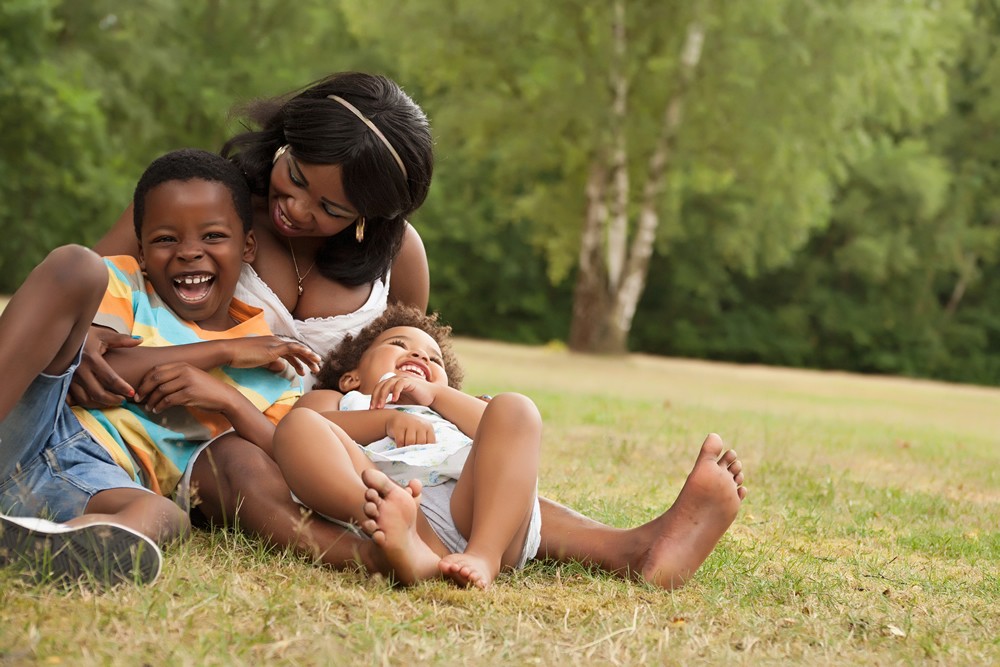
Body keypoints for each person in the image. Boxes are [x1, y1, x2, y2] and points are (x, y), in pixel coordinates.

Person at [78, 72, 747, 589]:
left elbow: (415, 370)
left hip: (350, 446)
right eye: (294, 173)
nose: (294, 207)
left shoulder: (400, 260)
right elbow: (98, 282)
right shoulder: (210, 203)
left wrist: (423, 418)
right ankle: (382, 554)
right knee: (241, 462)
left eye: (330, 206)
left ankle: (635, 548)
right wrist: (90, 339)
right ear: (284, 141)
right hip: (214, 438)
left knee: (447, 466)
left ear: (371, 218)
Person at [0, 149, 320, 585]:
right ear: (144, 252)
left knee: (165, 516)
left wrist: (228, 400)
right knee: (76, 265)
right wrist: (221, 352)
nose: (190, 252)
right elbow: (103, 371)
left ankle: (49, 546)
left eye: (212, 237)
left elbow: (286, 456)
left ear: (247, 245)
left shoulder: (274, 370)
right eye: (166, 239)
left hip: (99, 479)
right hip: (37, 421)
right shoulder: (127, 284)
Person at [273, 305, 542, 589]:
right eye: (398, 344)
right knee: (299, 424)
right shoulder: (344, 399)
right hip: (395, 507)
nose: (420, 355)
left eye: (434, 359)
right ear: (352, 377)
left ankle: (483, 556)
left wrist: (438, 395)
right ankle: (407, 543)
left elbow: (509, 432)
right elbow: (316, 424)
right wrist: (387, 419)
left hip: (478, 514)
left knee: (516, 407)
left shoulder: (449, 407)